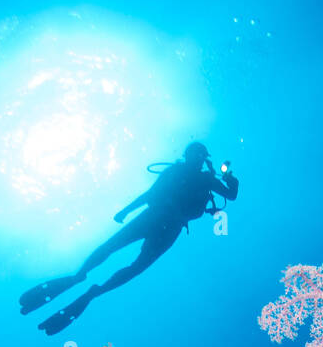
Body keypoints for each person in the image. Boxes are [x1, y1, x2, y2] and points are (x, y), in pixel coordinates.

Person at [19, 142, 239, 335]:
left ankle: (93, 292)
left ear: (204, 159)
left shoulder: (206, 179)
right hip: (155, 217)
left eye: (199, 155)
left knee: (135, 267)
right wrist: (126, 210)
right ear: (187, 155)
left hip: (169, 227)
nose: (196, 158)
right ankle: (78, 277)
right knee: (111, 248)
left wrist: (231, 180)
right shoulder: (176, 172)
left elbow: (231, 195)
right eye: (193, 154)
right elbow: (151, 194)